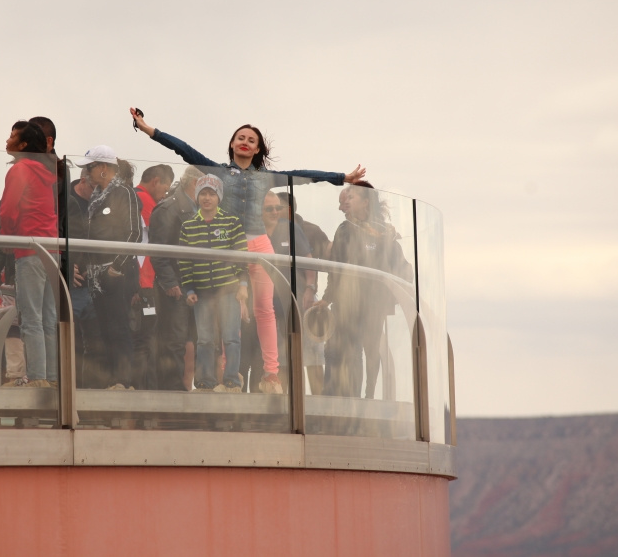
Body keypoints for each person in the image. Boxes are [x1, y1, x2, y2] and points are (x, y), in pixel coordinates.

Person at [130, 108, 365, 394]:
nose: (245, 142)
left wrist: (342, 177)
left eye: (251, 140)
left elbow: (304, 175)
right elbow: (184, 150)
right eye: (240, 138)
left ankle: (271, 375)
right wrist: (147, 129)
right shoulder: (218, 171)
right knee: (230, 312)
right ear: (231, 144)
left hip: (258, 245)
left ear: (257, 149)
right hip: (229, 247)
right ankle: (231, 377)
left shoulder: (266, 177)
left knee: (264, 309)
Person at [318, 182, 412, 398]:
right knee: (348, 351)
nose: (347, 201)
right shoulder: (344, 231)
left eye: (352, 197)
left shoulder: (385, 234)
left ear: (366, 202)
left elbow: (402, 268)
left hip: (374, 305)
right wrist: (327, 299)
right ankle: (351, 398)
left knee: (371, 349)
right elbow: (336, 268)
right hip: (347, 303)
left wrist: (392, 296)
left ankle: (369, 395)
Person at [0, 121, 59, 388]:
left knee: (30, 318)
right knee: (49, 318)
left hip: (29, 249)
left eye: (12, 136)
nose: (7, 140)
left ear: (24, 144)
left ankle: (38, 378)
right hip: (51, 249)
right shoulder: (44, 170)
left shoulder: (21, 169)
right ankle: (51, 377)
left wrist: (6, 239)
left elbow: (7, 209)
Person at [77, 145, 141, 390]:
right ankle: (114, 380)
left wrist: (117, 266)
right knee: (105, 330)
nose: (86, 174)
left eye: (90, 168)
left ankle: (124, 381)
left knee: (119, 328)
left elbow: (134, 233)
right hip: (97, 275)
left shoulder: (124, 193)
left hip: (116, 274)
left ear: (104, 168)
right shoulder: (97, 196)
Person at [178, 175, 249, 392]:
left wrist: (243, 285)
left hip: (228, 290)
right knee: (204, 340)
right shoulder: (188, 225)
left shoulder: (232, 221)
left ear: (219, 197)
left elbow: (241, 257)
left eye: (211, 193)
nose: (207, 198)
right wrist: (189, 289)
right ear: (198, 196)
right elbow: (184, 261)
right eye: (203, 193)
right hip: (202, 292)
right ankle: (205, 382)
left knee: (231, 337)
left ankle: (231, 381)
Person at [262, 191, 323, 395]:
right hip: (270, 305)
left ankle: (318, 404)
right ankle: (285, 407)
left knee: (312, 355)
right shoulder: (256, 231)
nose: (274, 212)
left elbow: (308, 260)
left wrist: (310, 288)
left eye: (277, 208)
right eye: (269, 209)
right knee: (281, 357)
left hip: (299, 301)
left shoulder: (291, 229)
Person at [148, 165, 202, 391]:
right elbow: (158, 250)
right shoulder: (168, 208)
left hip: (194, 286)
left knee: (195, 339)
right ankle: (170, 390)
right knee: (173, 340)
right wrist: (170, 283)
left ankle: (186, 387)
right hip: (176, 286)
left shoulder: (198, 209)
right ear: (195, 184)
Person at [132, 163, 174, 389]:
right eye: (165, 190)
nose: (165, 196)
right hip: (144, 282)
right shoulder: (146, 201)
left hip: (139, 280)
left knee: (142, 339)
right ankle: (144, 391)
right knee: (145, 342)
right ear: (156, 181)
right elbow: (160, 236)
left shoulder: (133, 198)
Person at [64, 163, 101, 388]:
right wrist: (68, 266)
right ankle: (72, 387)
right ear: (83, 180)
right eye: (95, 186)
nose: (98, 192)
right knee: (71, 338)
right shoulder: (64, 201)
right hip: (73, 282)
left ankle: (92, 387)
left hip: (95, 280)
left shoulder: (101, 204)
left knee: (96, 341)